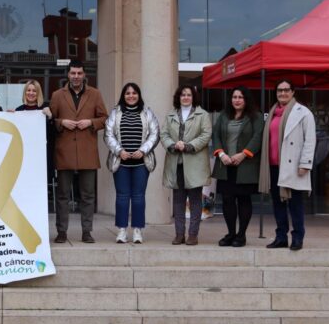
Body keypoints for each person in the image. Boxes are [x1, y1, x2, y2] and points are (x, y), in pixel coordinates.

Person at [49, 60, 108, 244]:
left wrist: (91, 122)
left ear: (84, 75)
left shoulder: (95, 94)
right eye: (73, 73)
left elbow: (105, 118)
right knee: (62, 195)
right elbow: (50, 120)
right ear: (68, 74)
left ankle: (87, 231)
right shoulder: (57, 95)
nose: (76, 77)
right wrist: (61, 123)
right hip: (64, 151)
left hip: (87, 151)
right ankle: (61, 231)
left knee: (88, 195)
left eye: (79, 73)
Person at [259, 79, 316, 251]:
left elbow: (310, 140)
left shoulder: (303, 112)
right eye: (279, 90)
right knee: (278, 204)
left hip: (294, 167)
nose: (282, 93)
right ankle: (281, 237)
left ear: (293, 92)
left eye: (286, 90)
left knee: (295, 204)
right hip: (274, 166)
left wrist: (305, 163)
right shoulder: (272, 113)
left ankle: (298, 237)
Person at [104, 82, 160, 244]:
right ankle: (121, 230)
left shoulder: (147, 112)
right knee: (122, 197)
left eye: (134, 93)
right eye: (127, 93)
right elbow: (108, 134)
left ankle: (137, 230)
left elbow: (155, 134)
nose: (131, 96)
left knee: (138, 197)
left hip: (141, 163)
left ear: (139, 95)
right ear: (123, 95)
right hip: (120, 162)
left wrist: (143, 150)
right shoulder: (115, 113)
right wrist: (119, 151)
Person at [211, 86, 263, 248]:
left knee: (243, 200)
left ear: (246, 99)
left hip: (245, 165)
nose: (237, 100)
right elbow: (216, 135)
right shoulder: (223, 116)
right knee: (227, 200)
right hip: (225, 165)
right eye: (234, 97)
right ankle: (231, 233)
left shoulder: (256, 117)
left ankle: (241, 235)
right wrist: (221, 154)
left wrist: (243, 154)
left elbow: (257, 138)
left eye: (240, 97)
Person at [161, 84, 212, 246]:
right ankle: (179, 234)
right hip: (176, 163)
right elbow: (164, 134)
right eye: (183, 94)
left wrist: (188, 145)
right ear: (178, 97)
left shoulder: (202, 114)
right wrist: (173, 145)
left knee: (195, 201)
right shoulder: (171, 115)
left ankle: (193, 235)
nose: (185, 97)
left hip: (194, 163)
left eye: (189, 95)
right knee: (178, 201)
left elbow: (206, 134)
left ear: (193, 97)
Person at [15, 80, 55, 180]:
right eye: (28, 90)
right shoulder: (18, 110)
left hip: (40, 156)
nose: (31, 93)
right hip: (23, 155)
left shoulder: (45, 110)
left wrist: (50, 117)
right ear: (25, 92)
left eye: (34, 91)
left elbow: (53, 135)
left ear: (38, 93)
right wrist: (11, 116)